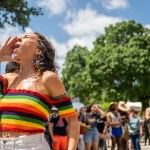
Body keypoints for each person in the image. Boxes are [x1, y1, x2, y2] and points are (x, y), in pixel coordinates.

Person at [0, 32, 79, 150]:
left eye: (26, 37)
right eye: (18, 37)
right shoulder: (5, 79)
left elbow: (72, 120)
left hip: (33, 146)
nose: (18, 38)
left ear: (39, 51)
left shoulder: (48, 78)